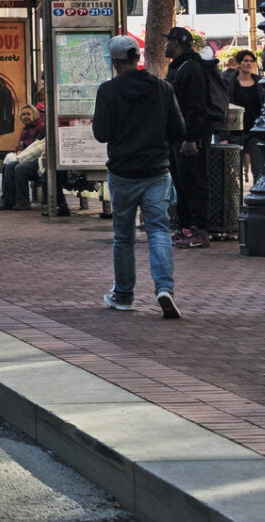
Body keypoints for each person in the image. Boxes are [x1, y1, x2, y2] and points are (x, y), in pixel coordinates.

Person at [92, 34, 183, 319]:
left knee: (123, 236)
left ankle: (124, 294)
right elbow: (178, 129)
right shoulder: (162, 88)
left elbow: (101, 134)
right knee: (158, 230)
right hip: (156, 170)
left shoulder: (107, 91)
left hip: (122, 172)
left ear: (116, 62)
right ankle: (164, 288)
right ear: (137, 58)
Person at [165, 27, 226, 249]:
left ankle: (200, 230)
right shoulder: (180, 67)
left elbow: (195, 107)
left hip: (190, 139)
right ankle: (186, 228)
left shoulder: (191, 69)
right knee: (182, 185)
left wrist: (190, 138)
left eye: (168, 41)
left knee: (194, 183)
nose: (165, 46)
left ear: (177, 43)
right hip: (176, 137)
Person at [0, 102, 46, 210]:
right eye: (23, 115)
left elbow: (38, 147)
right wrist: (18, 151)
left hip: (37, 159)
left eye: (28, 114)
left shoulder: (41, 127)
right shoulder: (25, 129)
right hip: (25, 157)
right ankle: (7, 200)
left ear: (34, 115)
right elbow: (20, 145)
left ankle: (23, 201)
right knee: (9, 166)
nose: (25, 117)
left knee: (20, 169)